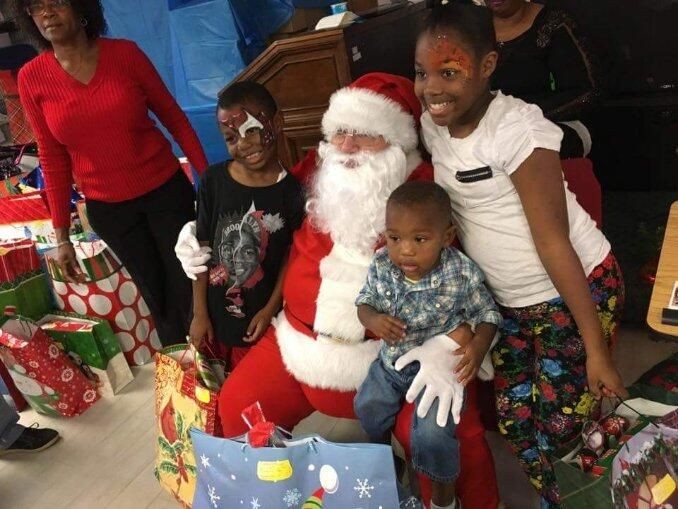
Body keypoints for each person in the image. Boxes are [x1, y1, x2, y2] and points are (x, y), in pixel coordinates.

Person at [176, 73, 501, 508]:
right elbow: (257, 200)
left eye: (365, 135)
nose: (346, 146)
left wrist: (450, 342)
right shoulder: (316, 176)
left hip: (394, 358)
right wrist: (198, 235)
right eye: (340, 132)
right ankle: (260, 498)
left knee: (446, 436)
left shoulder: (426, 196)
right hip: (296, 344)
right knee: (237, 404)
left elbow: (465, 284)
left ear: (397, 144)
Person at [414, 3, 626, 507]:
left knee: (564, 427)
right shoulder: (432, 125)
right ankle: (563, 498)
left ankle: (592, 496)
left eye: (449, 71)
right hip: (509, 306)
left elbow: (554, 242)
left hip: (572, 293)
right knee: (515, 423)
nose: (433, 89)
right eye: (422, 73)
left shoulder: (520, 131)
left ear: (487, 66)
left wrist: (596, 348)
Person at [15, 0, 208, 345]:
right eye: (36, 7)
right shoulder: (31, 78)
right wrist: (62, 238)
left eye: (56, 2)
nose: (46, 13)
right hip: (111, 210)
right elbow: (52, 159)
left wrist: (209, 181)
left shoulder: (125, 55)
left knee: (190, 284)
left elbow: (173, 117)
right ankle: (186, 380)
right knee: (156, 297)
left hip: (165, 191)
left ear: (80, 7)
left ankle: (215, 361)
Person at [354, 181, 502, 509]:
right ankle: (382, 457)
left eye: (420, 239)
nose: (405, 250)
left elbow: (488, 313)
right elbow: (363, 303)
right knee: (367, 405)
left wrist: (477, 348)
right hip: (394, 363)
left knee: (432, 436)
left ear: (446, 237)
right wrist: (373, 320)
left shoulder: (460, 271)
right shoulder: (382, 265)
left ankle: (442, 501)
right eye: (395, 238)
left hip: (440, 368)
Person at [187, 82, 304, 369]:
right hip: (213, 318)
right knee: (213, 395)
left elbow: (292, 256)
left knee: (254, 400)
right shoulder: (214, 181)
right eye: (230, 137)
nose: (243, 143)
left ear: (276, 123)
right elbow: (201, 248)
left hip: (259, 322)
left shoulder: (293, 192)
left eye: (251, 129)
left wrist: (270, 309)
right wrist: (199, 313)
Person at [487, 0, 599, 158]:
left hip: (557, 125)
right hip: (490, 128)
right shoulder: (473, 28)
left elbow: (585, 92)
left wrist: (520, 116)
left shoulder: (553, 23)